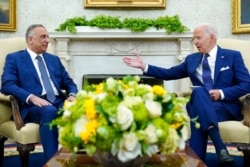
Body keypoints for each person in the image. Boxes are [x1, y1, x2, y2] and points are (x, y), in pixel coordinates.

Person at [122, 23, 250, 164]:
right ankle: (220, 148)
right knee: (200, 92)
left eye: (198, 38)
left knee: (197, 113)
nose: (195, 42)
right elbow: (170, 73)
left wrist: (221, 93)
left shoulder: (232, 56)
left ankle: (196, 161)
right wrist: (144, 66)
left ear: (212, 37)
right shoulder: (192, 59)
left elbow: (246, 84)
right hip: (203, 104)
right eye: (194, 38)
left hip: (226, 107)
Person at [0, 24, 78, 162]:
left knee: (82, 110)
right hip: (32, 107)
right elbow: (7, 85)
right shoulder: (15, 58)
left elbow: (69, 83)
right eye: (43, 37)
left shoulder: (53, 59)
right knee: (49, 111)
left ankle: (80, 160)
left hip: (59, 102)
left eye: (48, 37)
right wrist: (31, 97)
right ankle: (53, 163)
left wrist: (72, 96)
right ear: (30, 40)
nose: (47, 40)